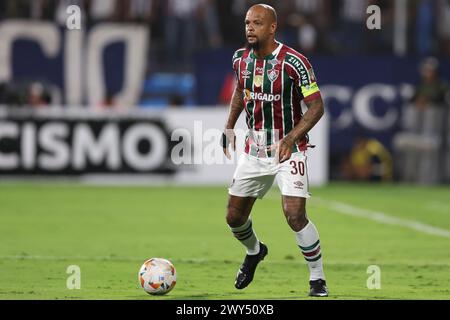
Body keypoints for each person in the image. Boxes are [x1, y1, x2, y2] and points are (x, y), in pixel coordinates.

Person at [221, 4, 327, 297]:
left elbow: (316, 106)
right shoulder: (240, 60)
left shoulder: (294, 62)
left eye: (256, 23)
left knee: (294, 214)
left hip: (288, 149)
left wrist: (291, 138)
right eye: (246, 23)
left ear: (271, 27)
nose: (249, 28)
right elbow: (241, 91)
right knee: (233, 218)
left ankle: (317, 279)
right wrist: (229, 125)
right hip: (254, 150)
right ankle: (255, 252)